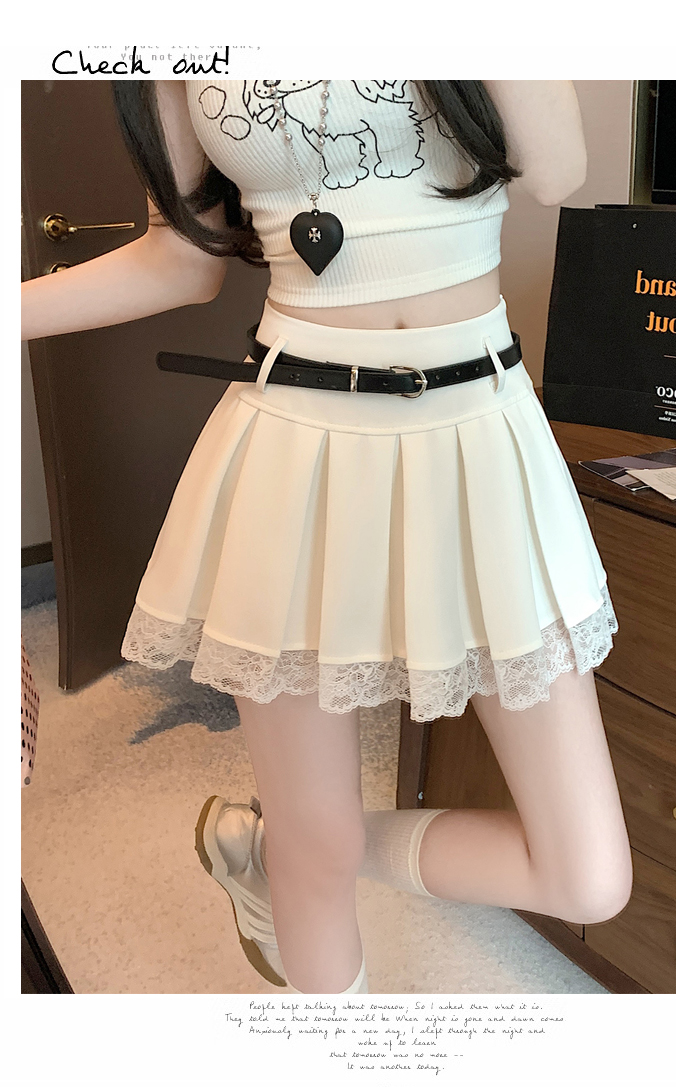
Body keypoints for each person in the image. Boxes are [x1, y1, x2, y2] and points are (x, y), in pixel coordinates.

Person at [21, 79, 633, 996]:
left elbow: (557, 168)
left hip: (481, 433)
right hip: (297, 438)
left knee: (587, 875)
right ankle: (305, 871)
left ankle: (286, 846)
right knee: (320, 849)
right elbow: (181, 261)